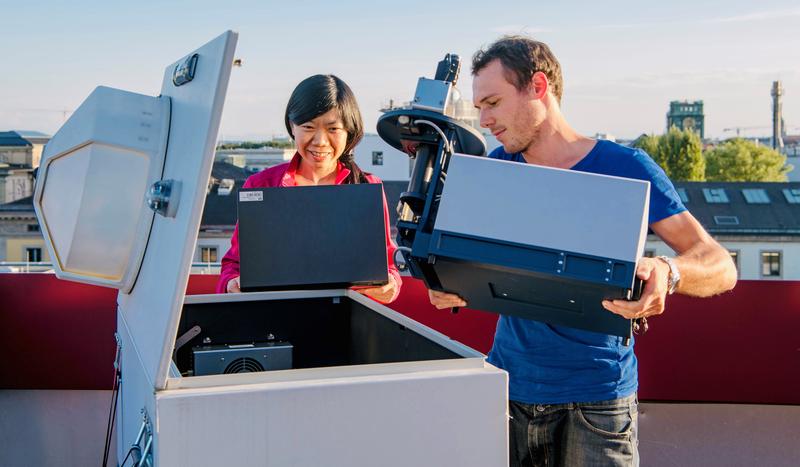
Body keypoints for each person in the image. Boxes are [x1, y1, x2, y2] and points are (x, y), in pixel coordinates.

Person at [427, 36, 737, 466]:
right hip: (506, 392)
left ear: (538, 87)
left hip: (597, 405)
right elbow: (466, 264)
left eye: (493, 103)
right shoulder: (493, 172)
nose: (484, 120)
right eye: (479, 107)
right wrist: (446, 284)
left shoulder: (627, 168)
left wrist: (670, 270)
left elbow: (721, 266)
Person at [216, 74, 402, 303]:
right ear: (292, 127)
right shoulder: (261, 185)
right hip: (276, 321)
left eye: (333, 129)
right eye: (308, 126)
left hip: (347, 322)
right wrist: (231, 283)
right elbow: (232, 266)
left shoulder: (367, 186)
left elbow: (388, 263)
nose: (320, 141)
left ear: (349, 132)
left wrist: (390, 286)